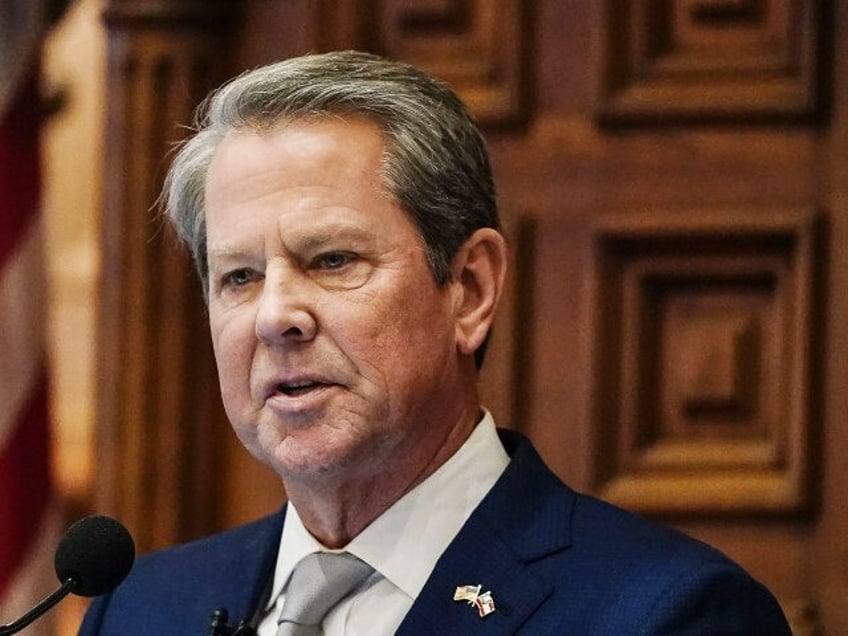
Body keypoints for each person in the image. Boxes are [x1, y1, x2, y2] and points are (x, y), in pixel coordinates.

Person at [78, 50, 791, 635]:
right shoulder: (140, 610)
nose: (275, 316)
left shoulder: (666, 616)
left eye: (333, 261)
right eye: (239, 276)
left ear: (470, 290)